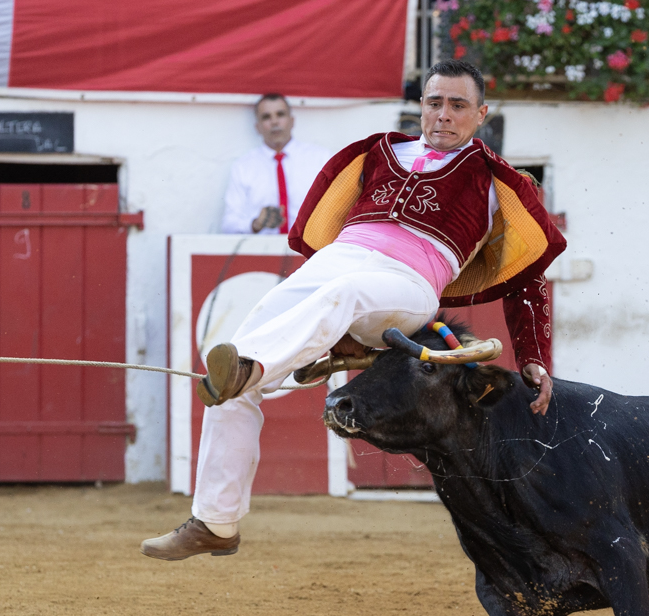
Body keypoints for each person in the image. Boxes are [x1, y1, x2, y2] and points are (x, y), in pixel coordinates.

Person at [142, 60, 566, 561]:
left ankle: (265, 364)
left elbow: (527, 277)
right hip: (339, 262)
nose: (444, 115)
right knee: (232, 366)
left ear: (481, 113)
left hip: (408, 284)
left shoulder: (499, 184)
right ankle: (215, 520)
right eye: (435, 103)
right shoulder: (380, 152)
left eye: (458, 105)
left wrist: (535, 354)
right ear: (421, 107)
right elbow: (328, 228)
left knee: (327, 306)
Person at [220, 93, 331, 235]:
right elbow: (229, 224)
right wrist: (256, 224)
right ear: (257, 127)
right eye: (266, 117)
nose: (274, 122)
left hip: (312, 251)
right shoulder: (243, 167)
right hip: (263, 252)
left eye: (280, 114)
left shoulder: (321, 158)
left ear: (292, 121)